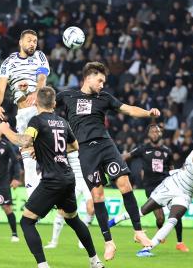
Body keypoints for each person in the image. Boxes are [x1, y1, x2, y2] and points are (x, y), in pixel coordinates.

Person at [56, 62, 159, 260]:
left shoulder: (104, 98)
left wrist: (148, 113)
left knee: (125, 185)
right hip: (85, 150)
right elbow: (46, 102)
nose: (103, 84)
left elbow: (128, 109)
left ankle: (138, 232)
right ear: (88, 77)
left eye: (104, 81)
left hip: (106, 145)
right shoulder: (68, 96)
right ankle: (108, 242)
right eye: (100, 80)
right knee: (97, 196)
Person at [0, 87, 104, 268]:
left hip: (52, 180)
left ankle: (43, 265)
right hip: (67, 177)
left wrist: (5, 130)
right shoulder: (63, 122)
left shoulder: (37, 121)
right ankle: (95, 261)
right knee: (73, 219)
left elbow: (24, 141)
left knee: (26, 222)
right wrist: (43, 150)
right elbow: (75, 146)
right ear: (54, 104)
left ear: (36, 102)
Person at [109, 137, 193, 257]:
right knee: (142, 212)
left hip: (186, 194)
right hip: (172, 185)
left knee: (172, 220)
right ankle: (112, 221)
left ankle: (147, 248)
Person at [0, 29, 50, 196]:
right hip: (22, 114)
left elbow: (42, 78)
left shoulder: (39, 56)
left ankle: (52, 188)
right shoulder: (9, 62)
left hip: (38, 110)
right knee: (28, 160)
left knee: (45, 154)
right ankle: (33, 204)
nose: (33, 44)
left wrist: (36, 92)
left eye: (35, 41)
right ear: (21, 42)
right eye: (29, 40)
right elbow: (1, 87)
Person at [123, 124, 188, 252]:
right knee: (160, 218)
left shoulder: (167, 151)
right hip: (151, 187)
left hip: (167, 186)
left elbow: (171, 169)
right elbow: (126, 156)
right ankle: (159, 230)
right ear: (148, 134)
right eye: (152, 131)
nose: (155, 133)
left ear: (160, 134)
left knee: (176, 213)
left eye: (157, 131)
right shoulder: (143, 149)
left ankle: (180, 243)